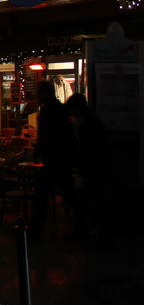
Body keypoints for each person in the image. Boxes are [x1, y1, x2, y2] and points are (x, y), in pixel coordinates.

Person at [31, 80, 76, 239]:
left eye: (38, 92)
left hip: (53, 159)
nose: (36, 96)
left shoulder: (48, 111)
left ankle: (36, 230)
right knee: (68, 194)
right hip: (61, 158)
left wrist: (40, 151)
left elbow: (46, 137)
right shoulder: (60, 110)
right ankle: (79, 226)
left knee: (42, 195)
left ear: (44, 94)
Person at [65, 93, 111, 243]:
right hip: (95, 169)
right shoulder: (92, 121)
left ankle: (89, 233)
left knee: (87, 202)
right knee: (92, 203)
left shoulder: (87, 124)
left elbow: (87, 149)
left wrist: (79, 164)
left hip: (92, 169)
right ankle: (93, 233)